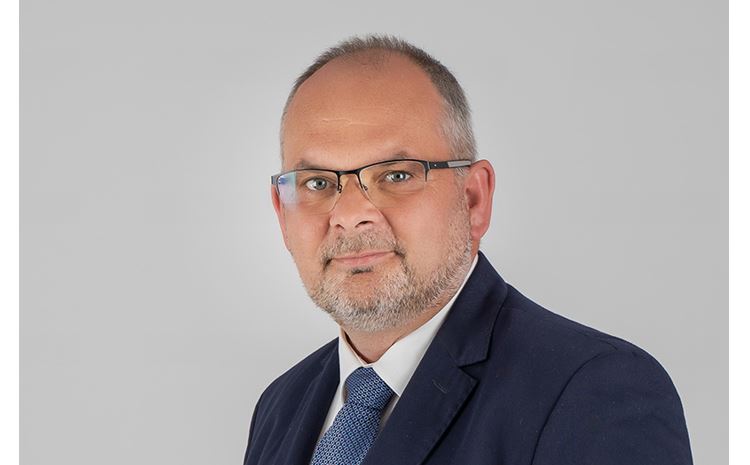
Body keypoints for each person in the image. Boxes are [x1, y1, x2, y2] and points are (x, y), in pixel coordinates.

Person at [243, 35, 693, 465]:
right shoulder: (281, 406)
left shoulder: (593, 394)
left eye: (397, 175)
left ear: (473, 199)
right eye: (317, 183)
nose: (349, 215)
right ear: (282, 214)